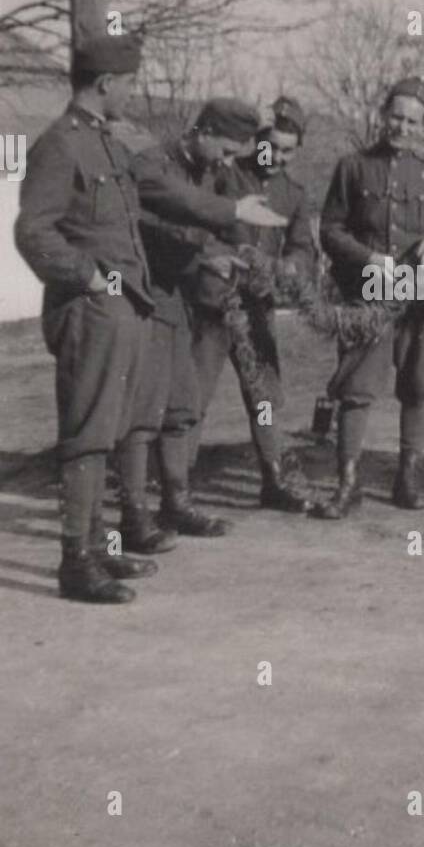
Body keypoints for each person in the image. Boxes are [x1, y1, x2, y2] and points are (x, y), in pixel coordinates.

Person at [14, 38, 281, 603]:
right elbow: (32, 231)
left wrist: (225, 218)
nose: (133, 91)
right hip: (91, 309)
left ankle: (98, 551)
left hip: (120, 308)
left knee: (108, 429)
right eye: (129, 82)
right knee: (87, 434)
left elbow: (156, 202)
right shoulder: (60, 146)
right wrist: (88, 277)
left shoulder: (105, 143)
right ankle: (75, 562)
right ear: (107, 82)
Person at [116, 105, 289, 547]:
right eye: (226, 151)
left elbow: (202, 227)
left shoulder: (210, 171)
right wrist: (204, 247)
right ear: (205, 132)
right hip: (143, 295)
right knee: (144, 410)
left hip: (177, 296)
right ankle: (134, 520)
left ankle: (176, 504)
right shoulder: (157, 162)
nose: (227, 162)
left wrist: (216, 254)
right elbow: (149, 222)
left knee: (183, 405)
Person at [316, 76, 424, 517]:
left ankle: (408, 477)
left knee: (420, 388)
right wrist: (367, 259)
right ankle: (347, 484)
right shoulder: (353, 166)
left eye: (412, 121)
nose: (402, 127)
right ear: (383, 115)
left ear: (422, 126)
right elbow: (330, 229)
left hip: (418, 298)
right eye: (396, 117)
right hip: (369, 294)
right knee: (356, 389)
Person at [183, 99, 313, 512]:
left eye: (287, 150)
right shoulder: (223, 177)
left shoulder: (293, 195)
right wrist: (218, 257)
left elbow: (302, 248)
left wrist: (292, 268)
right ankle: (176, 488)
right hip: (212, 306)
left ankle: (273, 479)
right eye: (270, 146)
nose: (276, 156)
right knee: (194, 396)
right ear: (255, 142)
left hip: (256, 309)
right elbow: (192, 224)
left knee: (265, 397)